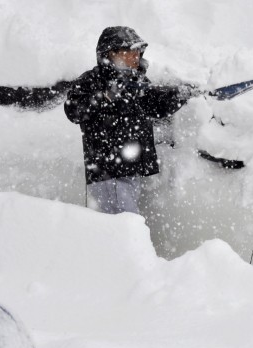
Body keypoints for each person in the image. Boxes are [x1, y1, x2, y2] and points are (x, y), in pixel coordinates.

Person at [64, 26, 193, 215]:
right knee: (123, 229)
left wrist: (179, 96)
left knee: (123, 229)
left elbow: (155, 105)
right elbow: (74, 111)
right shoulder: (92, 80)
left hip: (129, 171)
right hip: (108, 173)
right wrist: (106, 95)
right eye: (130, 52)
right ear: (110, 53)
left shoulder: (136, 82)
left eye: (138, 52)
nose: (136, 57)